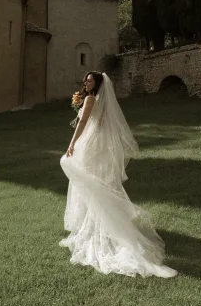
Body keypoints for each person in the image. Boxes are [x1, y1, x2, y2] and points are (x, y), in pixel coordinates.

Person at [60, 71, 177, 279]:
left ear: (97, 83)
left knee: (88, 184)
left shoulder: (89, 99)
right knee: (97, 184)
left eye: (90, 79)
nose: (85, 81)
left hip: (88, 146)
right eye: (85, 79)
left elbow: (83, 123)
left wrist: (72, 144)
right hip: (98, 146)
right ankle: (98, 225)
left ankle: (98, 228)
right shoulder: (99, 100)